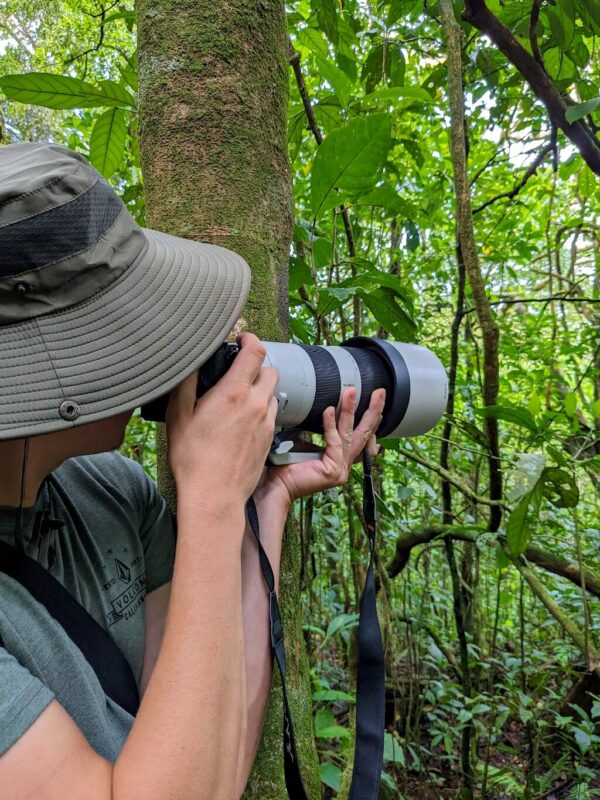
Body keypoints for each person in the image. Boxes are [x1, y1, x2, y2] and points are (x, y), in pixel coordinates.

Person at [0, 142, 385, 799]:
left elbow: (212, 758)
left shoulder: (112, 492)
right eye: (122, 329)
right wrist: (207, 499)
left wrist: (262, 504)